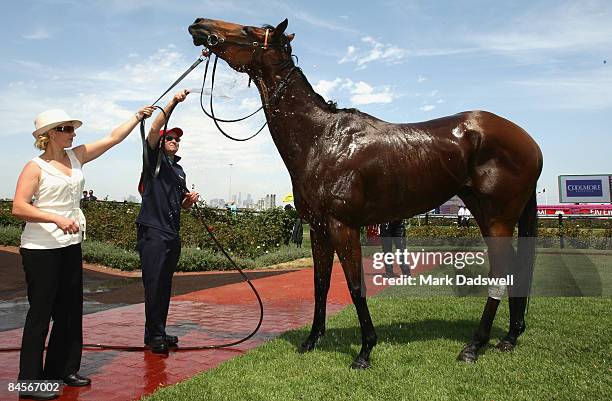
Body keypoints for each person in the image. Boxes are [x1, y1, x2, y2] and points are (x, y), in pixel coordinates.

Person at [12, 106, 154, 400]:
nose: (73, 133)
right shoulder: (35, 167)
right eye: (66, 129)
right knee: (41, 314)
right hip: (41, 249)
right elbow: (19, 207)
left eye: (72, 129)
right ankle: (29, 383)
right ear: (49, 134)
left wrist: (137, 117)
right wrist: (56, 218)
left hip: (70, 245)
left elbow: (114, 138)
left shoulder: (77, 156)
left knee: (69, 311)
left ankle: (63, 370)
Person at [135, 90, 199, 354]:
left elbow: (179, 204)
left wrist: (188, 202)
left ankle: (159, 330)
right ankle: (153, 336)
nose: (174, 141)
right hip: (154, 231)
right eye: (170, 138)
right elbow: (152, 131)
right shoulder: (154, 160)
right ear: (161, 143)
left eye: (177, 139)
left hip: (172, 233)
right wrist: (172, 103)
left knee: (164, 284)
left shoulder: (179, 169)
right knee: (154, 283)